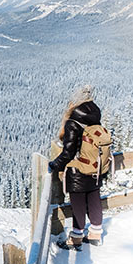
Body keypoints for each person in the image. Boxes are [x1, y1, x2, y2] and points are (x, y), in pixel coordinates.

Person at [48, 85, 109, 250]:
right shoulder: (94, 113)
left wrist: (54, 165)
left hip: (78, 169)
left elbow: (68, 152)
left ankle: (76, 238)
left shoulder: (73, 121)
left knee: (78, 204)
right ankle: (96, 235)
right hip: (96, 167)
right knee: (94, 199)